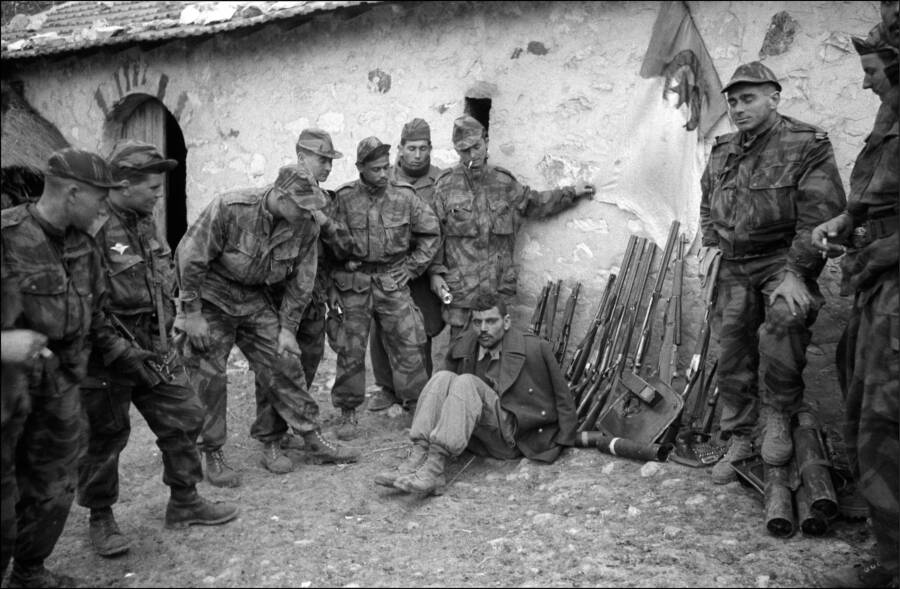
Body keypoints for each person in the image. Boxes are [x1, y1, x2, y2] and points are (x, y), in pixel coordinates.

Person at [1, 148, 159, 587]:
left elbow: (98, 314)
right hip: (7, 393)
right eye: (99, 198)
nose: (105, 207)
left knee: (53, 490)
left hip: (59, 391)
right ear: (72, 192)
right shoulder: (7, 235)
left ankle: (29, 571)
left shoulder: (82, 245)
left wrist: (124, 355)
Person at [77, 140, 239, 558]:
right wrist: (116, 349)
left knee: (185, 415)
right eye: (151, 186)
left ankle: (184, 501)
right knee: (106, 437)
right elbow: (81, 305)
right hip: (107, 354)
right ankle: (101, 517)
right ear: (123, 183)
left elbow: (162, 278)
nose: (158, 194)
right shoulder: (91, 228)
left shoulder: (144, 221)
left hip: (155, 344)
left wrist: (177, 319)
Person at [698, 61, 846, 484]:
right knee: (731, 351)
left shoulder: (805, 143)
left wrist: (797, 273)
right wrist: (711, 247)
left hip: (783, 260)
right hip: (733, 264)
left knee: (785, 321)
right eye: (732, 102)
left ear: (773, 98)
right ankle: (739, 436)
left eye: (748, 99)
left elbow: (821, 215)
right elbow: (707, 205)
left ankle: (779, 416)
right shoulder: (723, 149)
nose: (738, 108)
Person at [175, 165, 358, 489]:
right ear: (280, 195)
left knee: (284, 361)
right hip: (213, 296)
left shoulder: (306, 224)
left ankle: (310, 435)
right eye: (302, 207)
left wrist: (287, 328)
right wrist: (191, 312)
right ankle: (212, 451)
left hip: (255, 298)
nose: (307, 214)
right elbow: (190, 256)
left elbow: (303, 281)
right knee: (209, 374)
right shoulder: (230, 208)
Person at [813, 16, 898, 589]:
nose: (865, 83)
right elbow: (878, 198)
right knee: (868, 413)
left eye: (871, 71)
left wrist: (878, 248)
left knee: (886, 423)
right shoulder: (889, 115)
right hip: (879, 289)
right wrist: (847, 221)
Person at [374, 291, 577, 496]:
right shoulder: (464, 345)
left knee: (466, 382)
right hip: (479, 435)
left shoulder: (534, 348)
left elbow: (562, 396)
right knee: (442, 377)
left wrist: (562, 441)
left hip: (512, 436)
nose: (483, 329)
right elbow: (443, 395)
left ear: (506, 322)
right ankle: (417, 458)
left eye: (491, 321)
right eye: (477, 322)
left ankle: (434, 469)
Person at [315, 136, 440, 438]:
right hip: (353, 284)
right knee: (350, 348)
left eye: (386, 168)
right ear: (360, 168)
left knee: (410, 343)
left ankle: (417, 408)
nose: (383, 174)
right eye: (375, 169)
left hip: (392, 281)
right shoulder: (343, 198)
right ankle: (347, 412)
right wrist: (333, 279)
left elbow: (431, 233)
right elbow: (326, 243)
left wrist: (411, 268)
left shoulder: (405, 197)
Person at [428, 115, 595, 339]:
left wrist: (572, 192)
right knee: (461, 355)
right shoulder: (445, 186)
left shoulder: (504, 183)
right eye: (465, 150)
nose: (473, 155)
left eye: (476, 146)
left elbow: (535, 203)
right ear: (457, 151)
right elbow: (433, 235)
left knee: (497, 358)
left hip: (497, 289)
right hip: (462, 293)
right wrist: (435, 274)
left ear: (486, 141)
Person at [255, 128, 343, 451]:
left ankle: (293, 428)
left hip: (314, 295)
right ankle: (270, 438)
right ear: (301, 155)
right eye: (322, 159)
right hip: (280, 298)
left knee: (307, 364)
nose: (328, 167)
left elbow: (336, 249)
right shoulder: (282, 196)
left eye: (331, 161)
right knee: (276, 367)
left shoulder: (324, 201)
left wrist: (324, 221)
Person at [368, 118, 446, 412]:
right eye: (411, 148)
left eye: (423, 148)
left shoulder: (440, 181)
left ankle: (417, 392)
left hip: (423, 266)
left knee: (420, 326)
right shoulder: (381, 177)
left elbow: (442, 228)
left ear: (430, 149)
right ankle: (387, 387)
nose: (417, 154)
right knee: (382, 326)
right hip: (388, 265)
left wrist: (433, 268)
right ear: (400, 149)